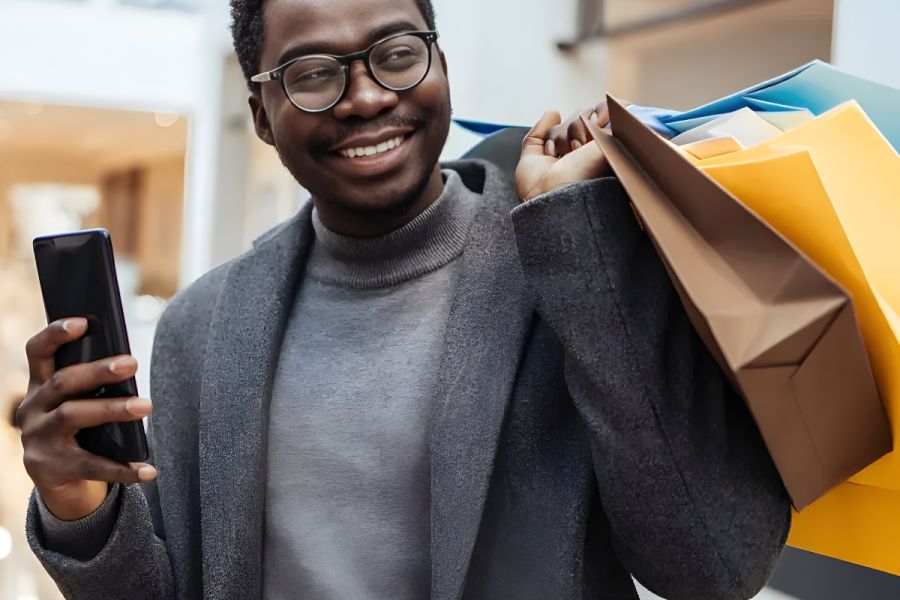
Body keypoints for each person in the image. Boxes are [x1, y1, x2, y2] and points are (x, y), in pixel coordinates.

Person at [16, 0, 790, 598]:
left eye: (395, 54)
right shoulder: (203, 328)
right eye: (314, 73)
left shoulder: (569, 266)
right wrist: (78, 507)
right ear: (260, 114)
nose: (363, 97)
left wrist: (578, 247)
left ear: (440, 63)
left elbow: (713, 567)